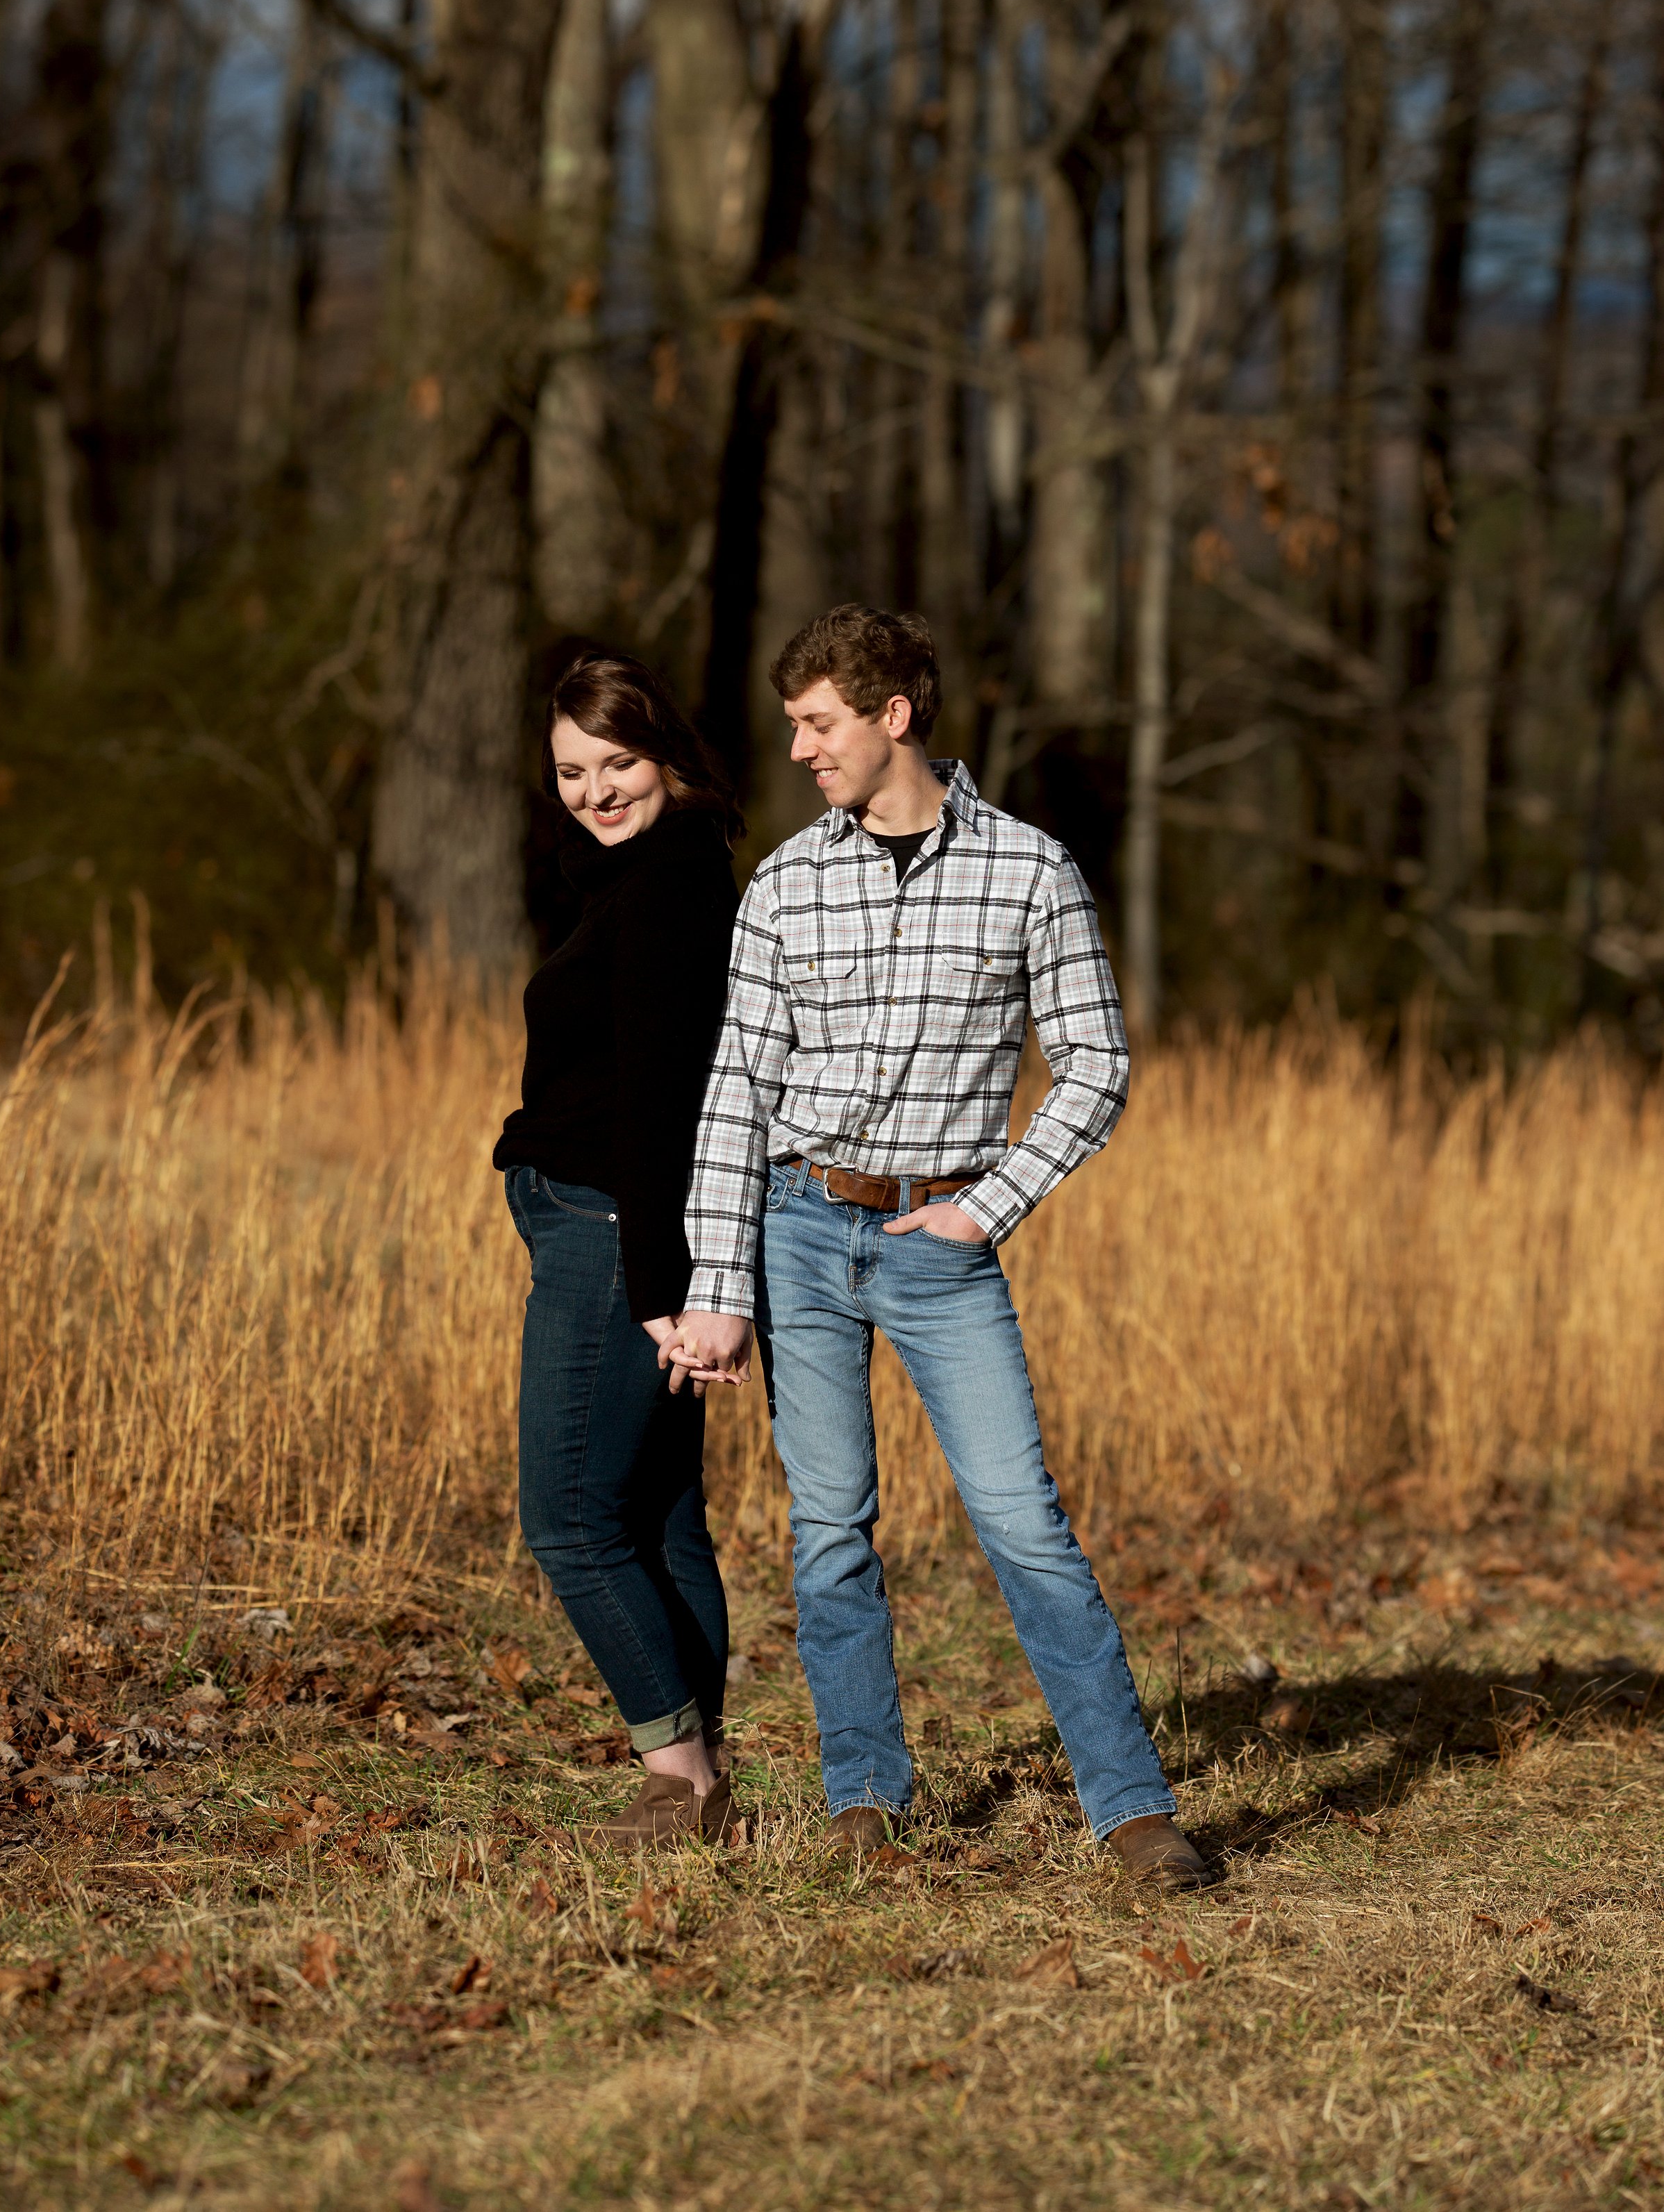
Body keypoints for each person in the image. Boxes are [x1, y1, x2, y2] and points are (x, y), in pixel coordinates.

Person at [663, 605, 1209, 1893]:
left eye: (819, 722)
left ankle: (1132, 1810)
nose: (799, 749)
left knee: (1026, 1528)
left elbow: (1097, 1066)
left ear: (891, 714)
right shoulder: (788, 883)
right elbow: (737, 1092)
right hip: (797, 1225)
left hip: (941, 1239)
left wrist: (990, 1201)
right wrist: (719, 1286)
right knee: (831, 1530)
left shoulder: (1031, 871)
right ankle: (865, 1797)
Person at [494, 652, 743, 1849]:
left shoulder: (666, 892)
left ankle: (676, 1773)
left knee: (571, 1516)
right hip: (604, 1220)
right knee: (657, 1513)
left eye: (618, 762)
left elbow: (661, 1104)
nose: (595, 790)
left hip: (612, 1230)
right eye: (573, 770)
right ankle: (704, 1778)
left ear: (668, 755)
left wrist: (658, 1290)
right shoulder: (648, 874)